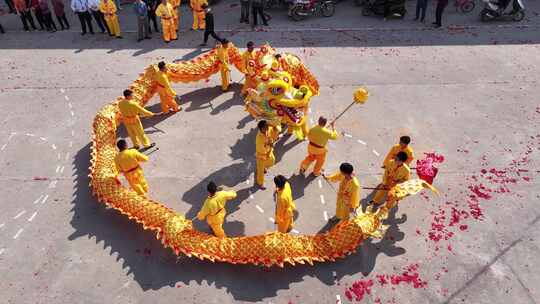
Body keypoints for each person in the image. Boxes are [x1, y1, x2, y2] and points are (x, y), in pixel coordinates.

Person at [255, 120, 279, 189]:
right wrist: (269, 144)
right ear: (261, 129)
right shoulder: (259, 138)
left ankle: (264, 167)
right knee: (260, 171)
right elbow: (261, 149)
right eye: (265, 127)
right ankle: (260, 183)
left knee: (272, 161)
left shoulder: (268, 130)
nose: (267, 128)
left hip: (269, 151)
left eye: (267, 126)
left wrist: (275, 129)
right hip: (261, 155)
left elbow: (274, 133)